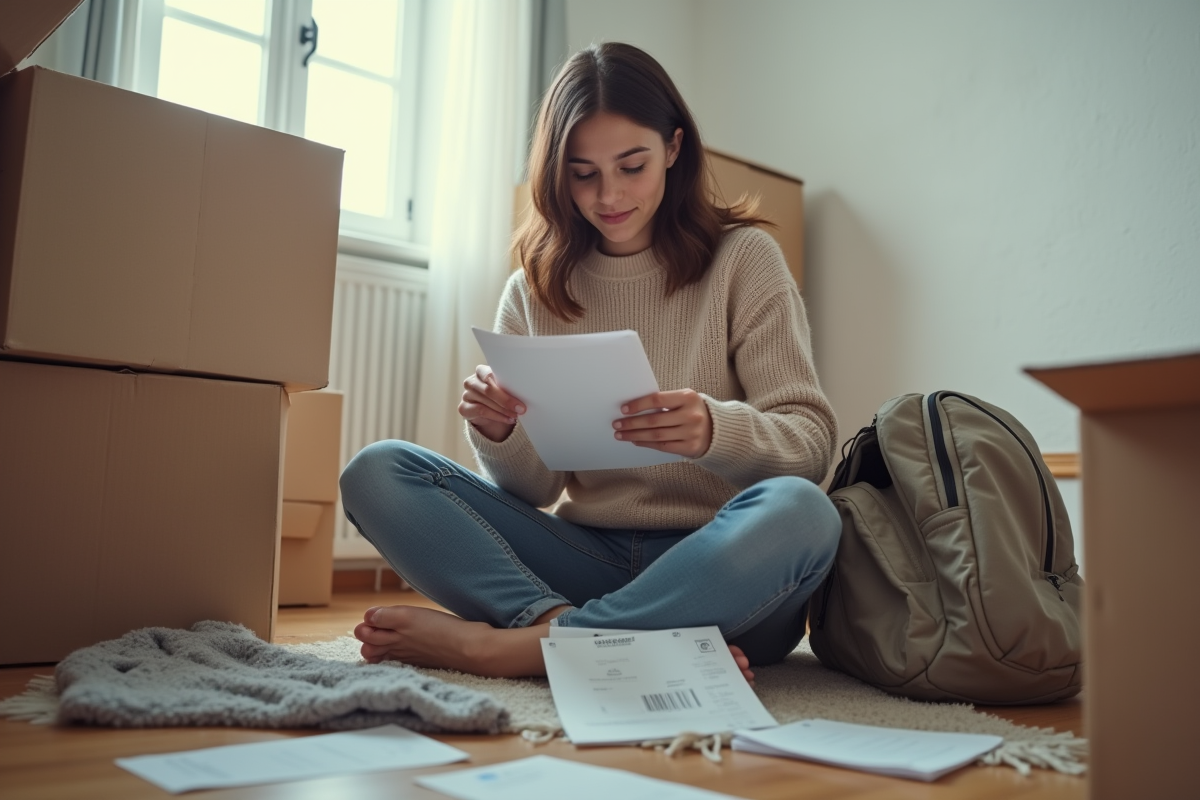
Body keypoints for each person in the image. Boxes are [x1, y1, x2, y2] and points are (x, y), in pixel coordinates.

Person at [338, 42, 841, 683]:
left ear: (675, 148)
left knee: (804, 511)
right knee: (377, 471)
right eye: (583, 173)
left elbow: (811, 445)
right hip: (584, 556)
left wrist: (717, 431)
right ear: (557, 173)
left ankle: (511, 649)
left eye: (632, 166)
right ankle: (574, 631)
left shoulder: (745, 259)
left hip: (723, 571)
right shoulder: (534, 287)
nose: (610, 196)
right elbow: (533, 493)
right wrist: (501, 432)